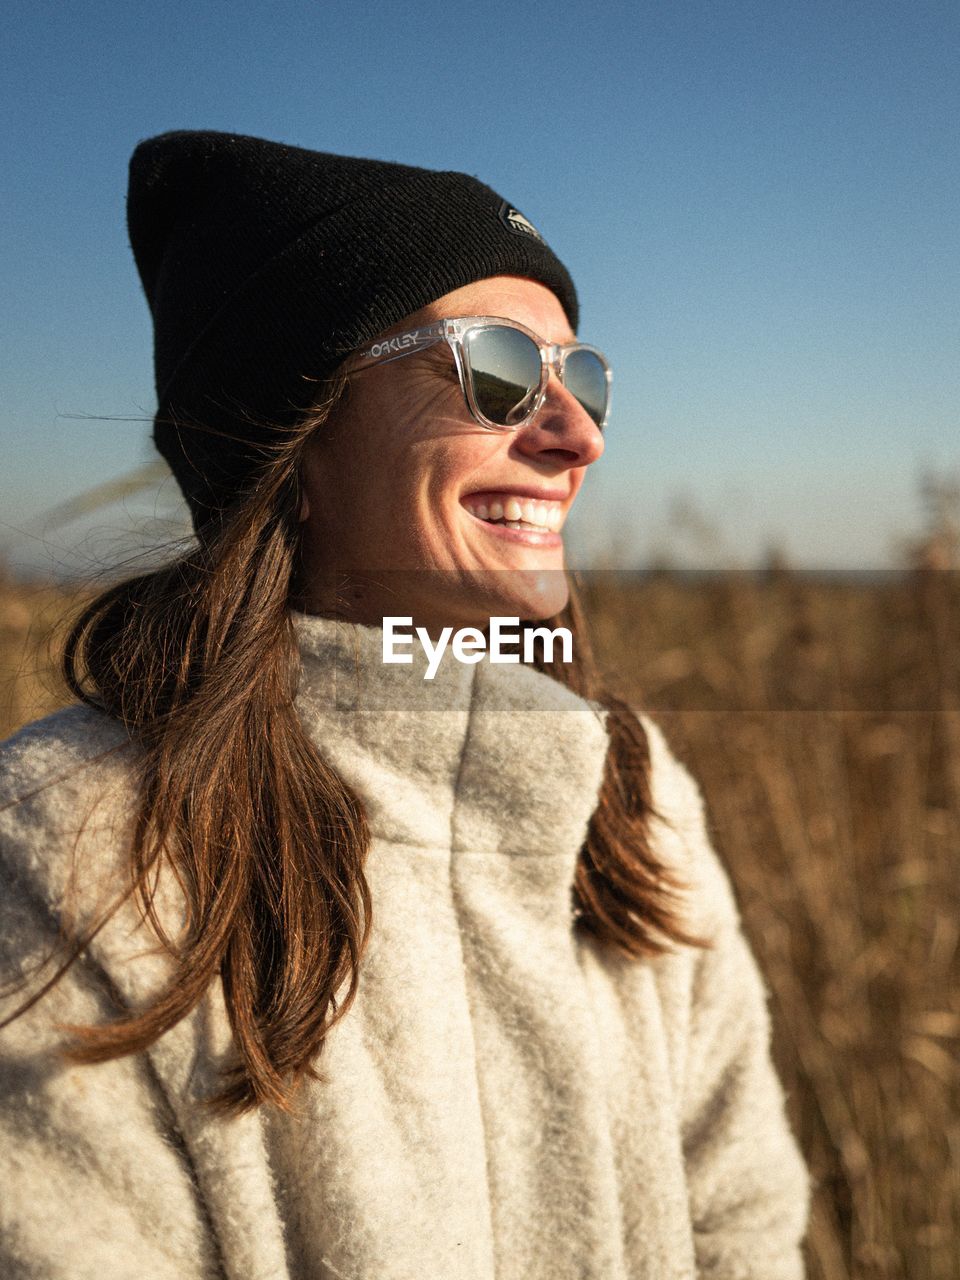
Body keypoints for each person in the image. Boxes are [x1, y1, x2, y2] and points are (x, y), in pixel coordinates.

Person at [0, 130, 809, 1279]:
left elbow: (744, 1226)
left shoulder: (633, 793)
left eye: (583, 378)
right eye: (498, 370)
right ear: (298, 432)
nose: (578, 435)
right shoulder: (74, 843)